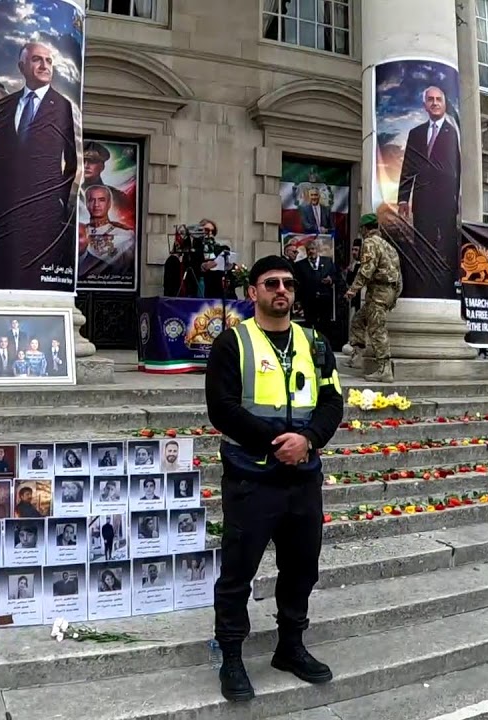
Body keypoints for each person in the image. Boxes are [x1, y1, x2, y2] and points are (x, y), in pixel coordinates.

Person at [205, 255, 344, 702]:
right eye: (271, 283)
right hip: (251, 478)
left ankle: (290, 646)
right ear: (253, 292)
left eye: (288, 283)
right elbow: (222, 408)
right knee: (238, 573)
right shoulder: (232, 342)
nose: (281, 290)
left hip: (303, 477)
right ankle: (231, 655)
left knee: (302, 568)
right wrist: (276, 443)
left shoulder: (314, 342)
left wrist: (308, 440)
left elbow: (332, 402)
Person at [0, 40, 76, 292]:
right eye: (37, 59)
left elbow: (72, 160)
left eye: (49, 61)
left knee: (36, 280)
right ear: (21, 66)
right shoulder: (5, 105)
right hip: (5, 212)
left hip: (44, 213)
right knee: (3, 275)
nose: (44, 65)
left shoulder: (62, 106)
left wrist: (59, 200)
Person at [396, 86, 461, 297]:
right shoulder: (416, 133)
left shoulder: (453, 134)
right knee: (423, 246)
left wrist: (458, 198)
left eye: (438, 99)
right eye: (431, 99)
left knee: (446, 247)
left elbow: (459, 169)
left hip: (446, 202)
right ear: (425, 105)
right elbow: (408, 166)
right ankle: (425, 288)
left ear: (444, 104)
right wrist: (403, 198)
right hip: (422, 201)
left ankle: (445, 289)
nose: (435, 103)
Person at [345, 214, 402, 382]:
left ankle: (385, 370)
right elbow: (399, 276)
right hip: (387, 292)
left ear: (364, 229)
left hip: (378, 293)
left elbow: (366, 270)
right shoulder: (388, 246)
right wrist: (394, 297)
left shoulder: (370, 243)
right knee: (358, 320)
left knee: (377, 330)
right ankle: (357, 356)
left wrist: (353, 290)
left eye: (361, 229)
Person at [295, 238, 347, 348]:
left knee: (325, 326)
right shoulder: (300, 265)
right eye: (308, 250)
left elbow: (336, 277)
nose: (311, 252)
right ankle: (310, 346)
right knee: (310, 325)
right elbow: (298, 284)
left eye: (313, 249)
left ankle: (325, 347)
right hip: (309, 301)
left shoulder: (328, 262)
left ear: (317, 250)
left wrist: (331, 280)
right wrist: (298, 301)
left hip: (325, 301)